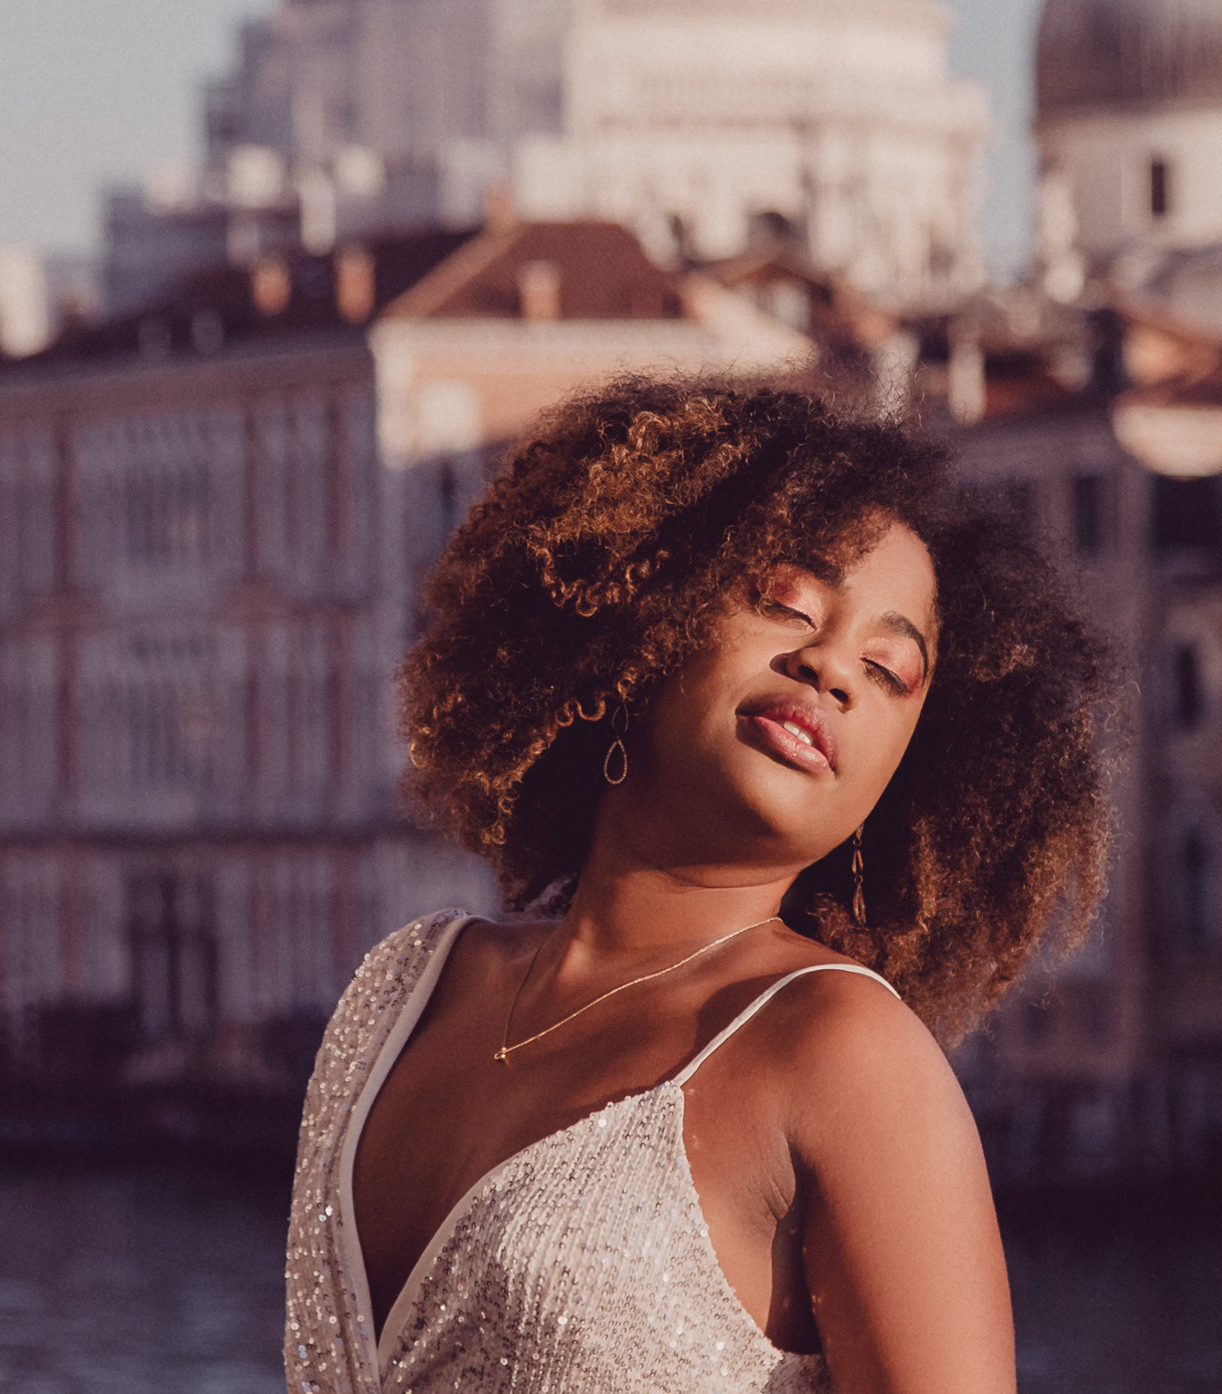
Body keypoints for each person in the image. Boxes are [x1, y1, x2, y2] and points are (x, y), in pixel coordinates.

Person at [283, 380, 1113, 1394]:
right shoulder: (399, 992)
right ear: (644, 613)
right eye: (787, 605)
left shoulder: (845, 1054)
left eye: (889, 670)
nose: (830, 667)